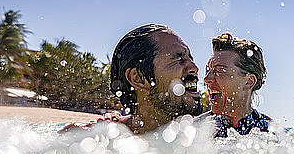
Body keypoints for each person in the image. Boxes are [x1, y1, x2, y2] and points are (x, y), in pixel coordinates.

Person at [60, 24, 203, 134]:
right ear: (138, 78)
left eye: (190, 58)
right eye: (178, 57)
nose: (194, 68)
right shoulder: (94, 139)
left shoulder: (212, 136)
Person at [203, 32, 270, 137]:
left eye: (220, 70)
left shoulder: (272, 134)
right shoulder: (194, 131)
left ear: (249, 82)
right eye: (208, 70)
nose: (207, 79)